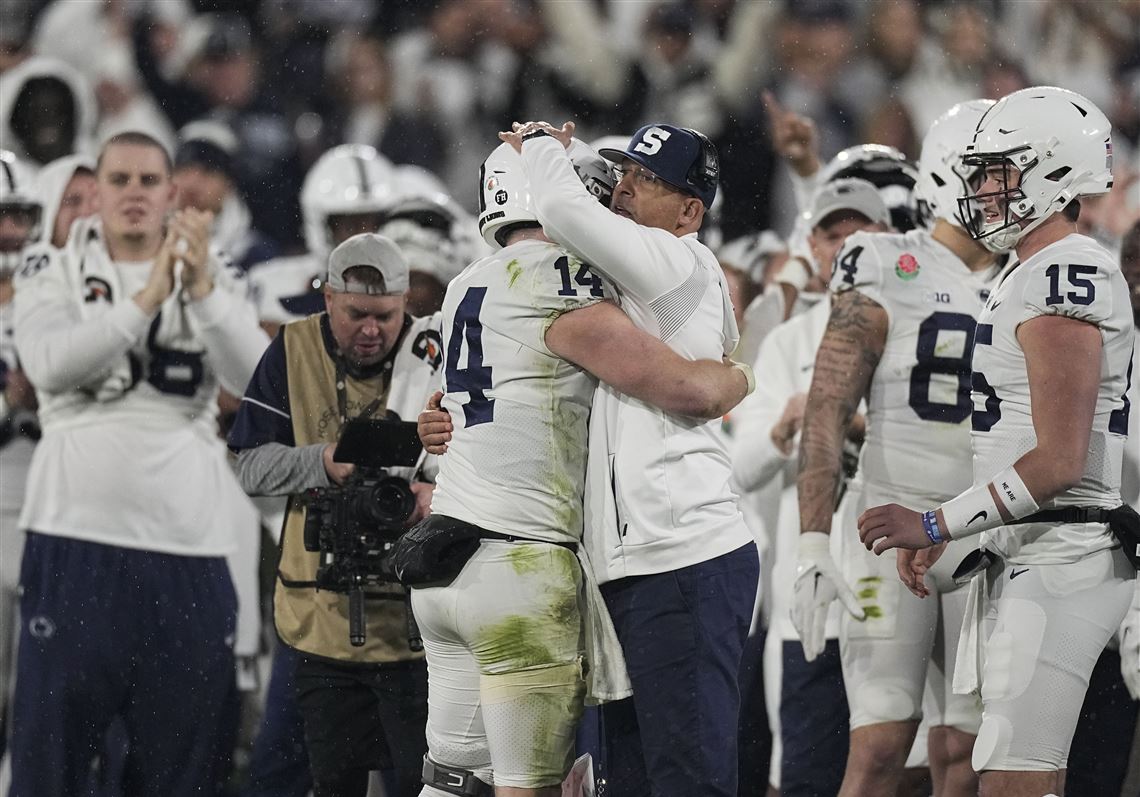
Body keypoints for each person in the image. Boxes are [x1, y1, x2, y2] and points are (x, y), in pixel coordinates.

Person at [410, 138, 752, 796]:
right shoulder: (563, 277)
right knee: (529, 785)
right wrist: (738, 377)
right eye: (614, 180)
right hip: (523, 565)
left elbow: (455, 405)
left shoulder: (462, 286)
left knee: (451, 778)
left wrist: (436, 420)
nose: (618, 195)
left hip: (445, 561)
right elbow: (685, 386)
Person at [858, 86, 1135, 797]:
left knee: (1014, 784)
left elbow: (1060, 458)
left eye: (1001, 172)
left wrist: (935, 520)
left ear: (1055, 171)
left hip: (1064, 555)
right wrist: (965, 535)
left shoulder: (1062, 269)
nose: (983, 190)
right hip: (1043, 549)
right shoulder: (1032, 269)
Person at [9, 130, 268, 796]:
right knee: (52, 763)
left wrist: (204, 290)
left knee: (182, 768)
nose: (132, 194)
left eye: (148, 181)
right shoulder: (50, 265)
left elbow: (257, 380)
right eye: (118, 180)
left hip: (189, 549)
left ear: (172, 192)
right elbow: (47, 363)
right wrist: (147, 298)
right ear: (94, 191)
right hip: (75, 539)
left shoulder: (217, 271)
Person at [509, 119, 759, 796]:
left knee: (687, 779)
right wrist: (576, 153)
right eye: (624, 171)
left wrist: (538, 140)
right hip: (641, 560)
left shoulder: (673, 257)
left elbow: (561, 206)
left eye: (648, 179)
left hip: (681, 556)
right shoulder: (651, 268)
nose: (624, 188)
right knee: (634, 779)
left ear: (690, 210)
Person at [793, 100, 1001, 797]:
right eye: (994, 175)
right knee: (882, 745)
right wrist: (813, 541)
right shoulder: (885, 258)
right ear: (951, 173)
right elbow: (828, 404)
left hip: (985, 529)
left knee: (967, 753)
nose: (1009, 191)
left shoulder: (1023, 280)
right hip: (890, 518)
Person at [229, 232, 444, 797]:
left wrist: (432, 496)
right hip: (321, 620)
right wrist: (324, 462)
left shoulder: (435, 353)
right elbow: (249, 467)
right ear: (327, 298)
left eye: (385, 316)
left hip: (417, 630)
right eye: (356, 315)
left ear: (406, 307)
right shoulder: (292, 349)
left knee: (422, 789)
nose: (371, 330)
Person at [732, 178, 890, 797]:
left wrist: (842, 418)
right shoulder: (787, 342)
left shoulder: (916, 321)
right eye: (833, 232)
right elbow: (743, 468)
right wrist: (786, 425)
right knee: (803, 778)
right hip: (807, 600)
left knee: (905, 770)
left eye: (861, 230)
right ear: (815, 246)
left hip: (894, 578)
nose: (847, 243)